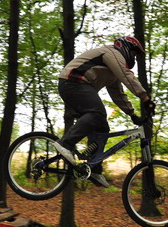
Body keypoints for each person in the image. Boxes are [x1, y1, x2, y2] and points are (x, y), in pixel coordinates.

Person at [53, 36, 155, 187]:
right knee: (97, 113)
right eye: (134, 54)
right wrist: (145, 98)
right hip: (72, 81)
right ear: (126, 47)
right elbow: (126, 75)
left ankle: (93, 168)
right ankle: (65, 144)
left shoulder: (113, 72)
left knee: (102, 127)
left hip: (77, 86)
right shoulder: (112, 53)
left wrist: (132, 114)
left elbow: (118, 94)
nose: (134, 58)